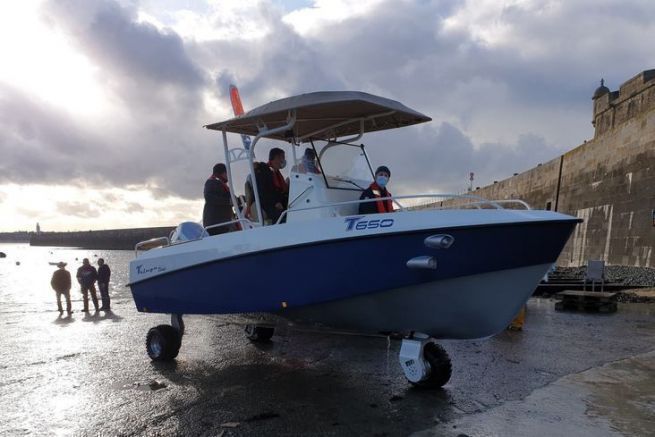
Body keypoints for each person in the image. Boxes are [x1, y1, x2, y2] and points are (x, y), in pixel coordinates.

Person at [256, 147, 289, 224]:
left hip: (279, 202)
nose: (283, 161)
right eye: (282, 158)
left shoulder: (276, 172)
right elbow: (262, 191)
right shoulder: (263, 171)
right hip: (268, 204)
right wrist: (275, 202)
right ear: (276, 158)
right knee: (286, 216)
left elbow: (281, 190)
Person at [203, 163, 236, 235]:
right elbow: (209, 197)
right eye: (227, 173)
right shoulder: (211, 182)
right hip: (217, 223)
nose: (228, 175)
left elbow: (228, 197)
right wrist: (228, 201)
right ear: (223, 173)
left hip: (221, 222)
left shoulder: (219, 183)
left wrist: (238, 199)